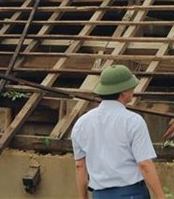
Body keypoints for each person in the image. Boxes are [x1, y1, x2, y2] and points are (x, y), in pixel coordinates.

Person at [71, 65, 166, 199]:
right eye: (131, 87)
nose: (134, 89)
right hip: (132, 193)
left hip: (100, 194)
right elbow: (144, 164)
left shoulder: (81, 123)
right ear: (123, 92)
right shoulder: (133, 121)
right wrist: (161, 196)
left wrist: (83, 198)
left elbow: (80, 165)